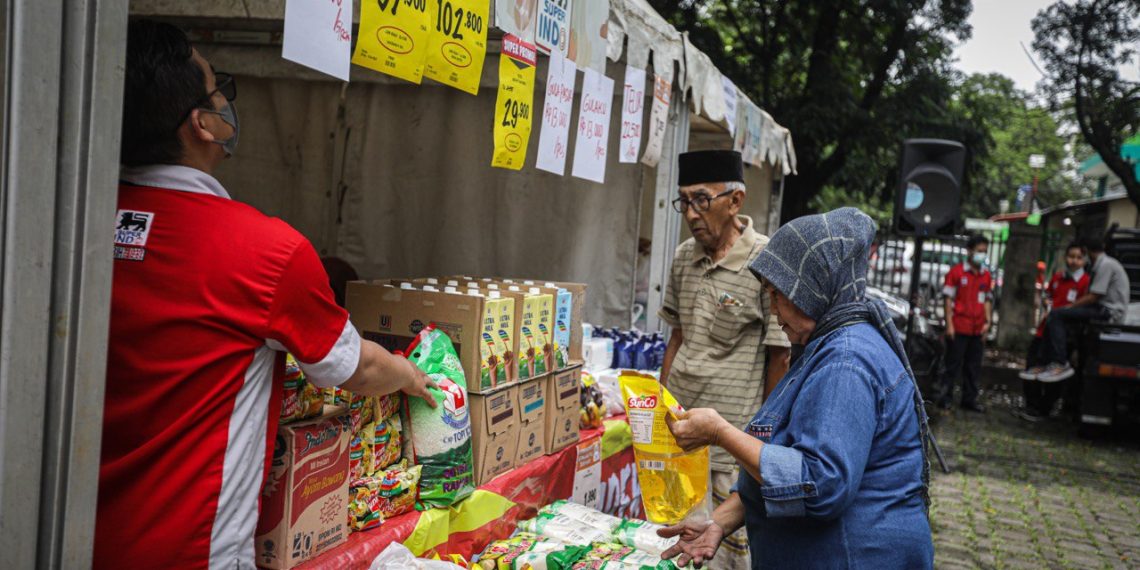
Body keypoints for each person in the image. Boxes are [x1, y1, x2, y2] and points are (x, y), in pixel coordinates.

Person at [98, 21, 436, 570]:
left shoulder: (68, 228)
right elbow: (355, 371)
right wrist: (411, 374)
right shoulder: (266, 251)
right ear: (203, 124)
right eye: (218, 91)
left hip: (58, 530)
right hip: (189, 547)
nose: (225, 105)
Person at [659, 208, 933, 569]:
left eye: (778, 295)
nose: (773, 311)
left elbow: (817, 484)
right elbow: (784, 468)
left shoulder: (845, 363)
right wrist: (717, 523)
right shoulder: (827, 346)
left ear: (812, 289)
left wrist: (720, 433)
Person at [658, 149, 791, 570]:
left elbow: (779, 357)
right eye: (684, 202)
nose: (692, 213)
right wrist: (659, 414)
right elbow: (677, 337)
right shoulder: (683, 257)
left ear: (735, 201)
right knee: (675, 552)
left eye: (702, 199)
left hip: (729, 451)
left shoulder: (766, 261)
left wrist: (762, 442)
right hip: (679, 446)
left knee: (724, 561)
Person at [1024, 237, 1131, 383]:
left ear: (1086, 252)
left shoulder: (1105, 265)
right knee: (1054, 318)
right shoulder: (1099, 265)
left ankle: (1060, 363)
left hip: (1108, 312)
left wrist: (1070, 307)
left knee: (1057, 314)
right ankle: (1045, 363)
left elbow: (1093, 296)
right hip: (1102, 309)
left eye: (1080, 255)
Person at [1017, 242, 1090, 421]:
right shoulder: (1058, 277)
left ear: (1084, 259)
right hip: (1044, 330)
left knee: (1054, 373)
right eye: (1071, 257)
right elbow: (1048, 296)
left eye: (1078, 258)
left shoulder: (1085, 282)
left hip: (1064, 335)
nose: (1074, 261)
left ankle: (1044, 408)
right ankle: (1031, 405)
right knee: (1032, 366)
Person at [936, 234, 993, 413]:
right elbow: (947, 300)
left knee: (973, 367)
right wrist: (949, 325)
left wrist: (988, 323)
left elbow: (987, 300)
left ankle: (969, 399)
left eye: (984, 251)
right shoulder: (957, 273)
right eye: (979, 251)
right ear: (969, 251)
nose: (982, 255)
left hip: (977, 328)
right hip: (959, 326)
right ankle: (945, 397)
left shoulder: (986, 276)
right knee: (952, 365)